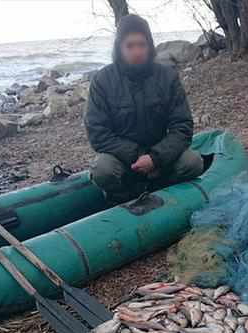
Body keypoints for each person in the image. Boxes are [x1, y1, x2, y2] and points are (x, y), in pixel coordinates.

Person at [85, 14, 204, 203]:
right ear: (120, 48)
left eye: (141, 44)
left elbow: (182, 126)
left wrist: (155, 158)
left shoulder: (168, 77)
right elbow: (98, 133)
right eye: (130, 46)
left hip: (162, 157)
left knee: (193, 162)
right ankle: (121, 201)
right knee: (102, 169)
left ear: (149, 46)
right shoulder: (102, 80)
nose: (137, 51)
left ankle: (167, 196)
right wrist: (139, 155)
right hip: (124, 161)